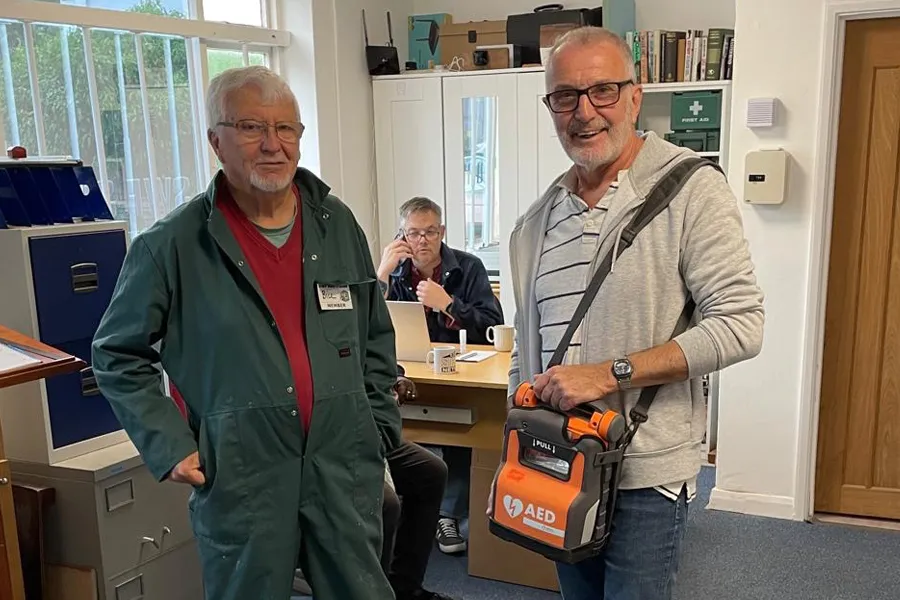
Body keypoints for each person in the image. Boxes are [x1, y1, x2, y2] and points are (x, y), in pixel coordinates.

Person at [91, 65, 401, 600]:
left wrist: (377, 423)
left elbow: (375, 333)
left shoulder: (337, 223)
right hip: (242, 471)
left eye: (286, 129)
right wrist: (169, 444)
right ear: (217, 141)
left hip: (341, 461)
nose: (272, 145)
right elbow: (117, 353)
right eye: (252, 128)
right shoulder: (172, 245)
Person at [504, 27, 765, 600]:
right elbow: (528, 343)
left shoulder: (691, 189)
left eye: (603, 90)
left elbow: (741, 324)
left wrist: (607, 373)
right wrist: (517, 404)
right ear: (550, 107)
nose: (584, 112)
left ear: (634, 95)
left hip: (645, 474)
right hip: (560, 462)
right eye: (565, 96)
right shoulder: (535, 223)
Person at [376, 196, 504, 555]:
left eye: (430, 232)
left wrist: (447, 303)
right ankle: (404, 511)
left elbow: (492, 326)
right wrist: (382, 274)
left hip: (463, 375)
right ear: (401, 235)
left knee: (462, 429)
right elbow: (366, 323)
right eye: (413, 233)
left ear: (442, 232)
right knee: (391, 425)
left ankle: (447, 514)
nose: (422, 241)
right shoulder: (397, 273)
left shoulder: (469, 267)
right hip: (410, 370)